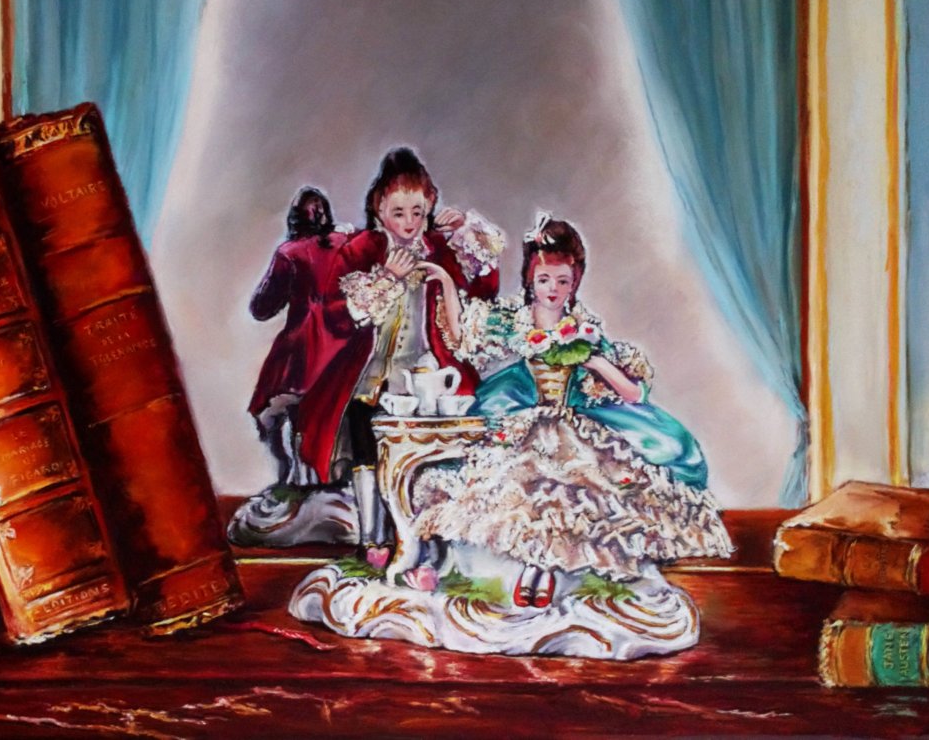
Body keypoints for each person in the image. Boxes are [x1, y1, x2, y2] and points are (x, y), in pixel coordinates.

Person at [412, 213, 732, 606]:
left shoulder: (582, 329)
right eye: (545, 280)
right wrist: (446, 280)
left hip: (570, 425)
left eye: (563, 282)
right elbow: (463, 335)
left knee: (570, 495)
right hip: (524, 421)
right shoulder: (516, 320)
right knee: (524, 492)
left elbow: (633, 394)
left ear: (575, 282)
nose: (553, 290)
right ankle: (530, 569)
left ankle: (545, 572)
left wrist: (595, 363)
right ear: (530, 279)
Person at [296, 148, 503, 568]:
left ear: (429, 209)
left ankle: (424, 540)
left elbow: (485, 289)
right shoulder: (361, 249)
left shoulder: (439, 249)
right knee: (365, 440)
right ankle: (371, 538)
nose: (409, 223)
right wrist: (387, 278)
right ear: (379, 210)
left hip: (426, 370)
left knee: (430, 448)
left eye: (417, 213)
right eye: (398, 213)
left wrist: (467, 232)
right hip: (369, 372)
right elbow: (337, 314)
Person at [248, 187, 350, 486]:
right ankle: (319, 480)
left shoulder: (289, 253)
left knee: (270, 412)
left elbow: (262, 307)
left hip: (302, 349)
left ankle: (288, 477)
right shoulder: (346, 244)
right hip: (342, 346)